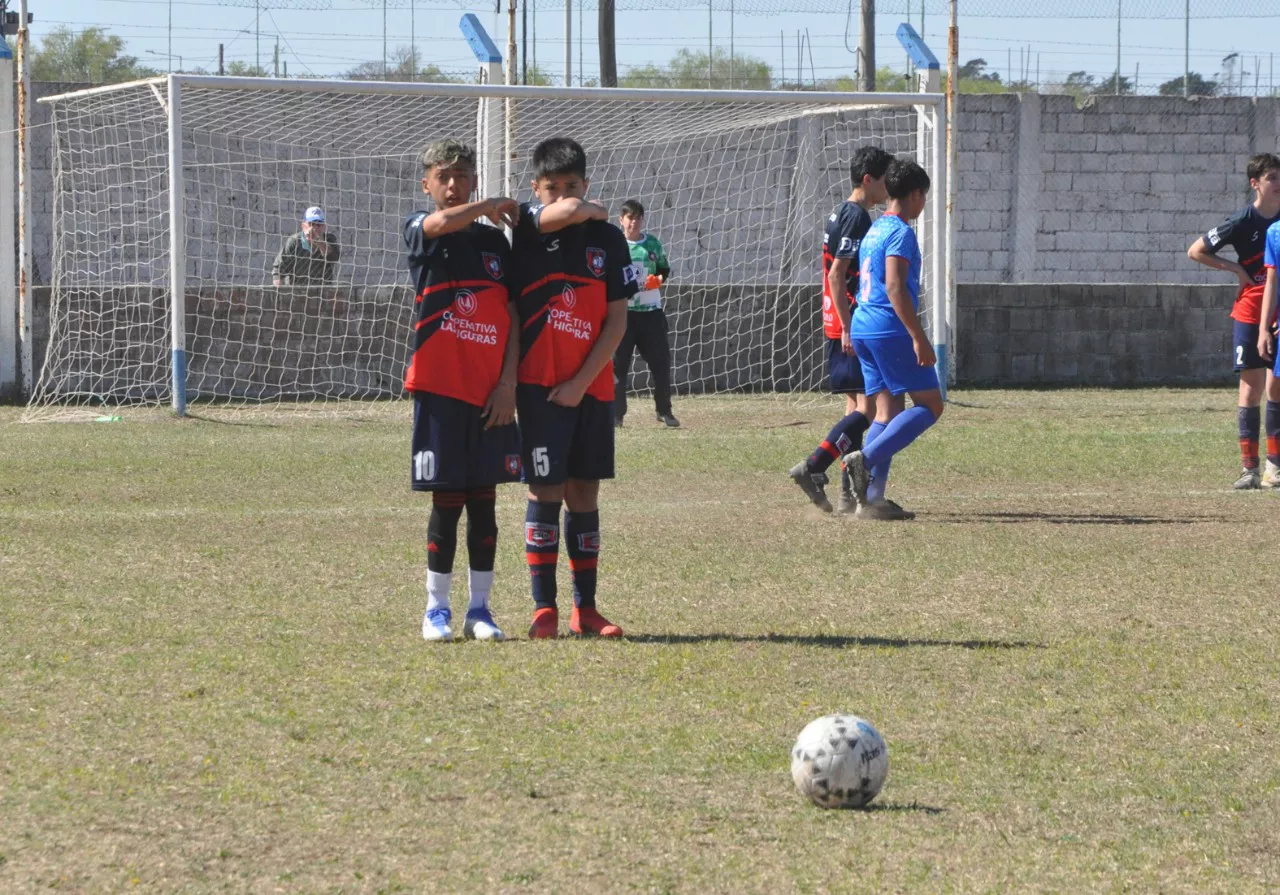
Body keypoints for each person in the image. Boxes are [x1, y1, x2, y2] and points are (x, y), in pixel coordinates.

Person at [510, 137, 640, 639]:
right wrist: (560, 385)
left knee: (584, 492)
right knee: (544, 490)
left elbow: (616, 321)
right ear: (536, 189)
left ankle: (586, 609)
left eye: (572, 187)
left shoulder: (607, 238)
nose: (563, 196)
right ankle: (544, 607)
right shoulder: (524, 227)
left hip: (591, 390)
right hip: (538, 386)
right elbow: (551, 215)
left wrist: (581, 383)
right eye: (553, 188)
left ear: (586, 185)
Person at [403, 140, 522, 642]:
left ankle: (481, 610)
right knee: (445, 500)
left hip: (489, 394)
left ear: (474, 178)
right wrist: (488, 205)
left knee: (484, 501)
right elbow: (441, 224)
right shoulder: (419, 228)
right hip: (440, 390)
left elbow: (514, 316)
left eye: (463, 175)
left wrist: (508, 385)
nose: (453, 185)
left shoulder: (497, 246)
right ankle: (437, 610)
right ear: (427, 184)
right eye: (443, 176)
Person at [788, 145, 894, 514]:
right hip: (847, 323)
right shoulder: (856, 218)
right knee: (868, 410)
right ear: (868, 180)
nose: (888, 188)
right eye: (884, 181)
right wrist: (848, 327)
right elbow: (837, 274)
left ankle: (850, 496)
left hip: (838, 320)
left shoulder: (840, 213)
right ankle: (814, 465)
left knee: (854, 409)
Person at [840, 158, 941, 521]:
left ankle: (872, 500)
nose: (923, 204)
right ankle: (863, 460)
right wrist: (918, 336)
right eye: (924, 197)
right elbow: (895, 286)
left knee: (887, 411)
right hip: (889, 328)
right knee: (931, 405)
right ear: (914, 195)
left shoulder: (876, 229)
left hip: (865, 325)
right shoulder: (900, 232)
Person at [1187, 153, 1280, 489]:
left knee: (1276, 387)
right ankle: (1249, 470)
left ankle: (1274, 467)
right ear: (1255, 183)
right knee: (1251, 388)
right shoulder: (1242, 220)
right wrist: (1236, 269)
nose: (1278, 184)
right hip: (1250, 311)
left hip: (1278, 313)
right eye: (1271, 177)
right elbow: (1196, 250)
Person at [614, 199, 679, 428]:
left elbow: (664, 269)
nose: (634, 222)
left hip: (651, 314)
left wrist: (657, 280)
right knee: (618, 366)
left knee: (661, 363)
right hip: (623, 314)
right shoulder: (615, 244)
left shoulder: (652, 243)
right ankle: (617, 415)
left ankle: (664, 411)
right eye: (630, 218)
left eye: (638, 218)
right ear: (621, 220)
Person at [272, 206, 341, 285]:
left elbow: (333, 257)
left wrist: (318, 241)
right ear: (303, 226)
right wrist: (280, 291)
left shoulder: (329, 239)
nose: (314, 228)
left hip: (323, 292)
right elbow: (278, 270)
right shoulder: (294, 242)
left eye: (318, 224)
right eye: (311, 224)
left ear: (324, 227)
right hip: (297, 291)